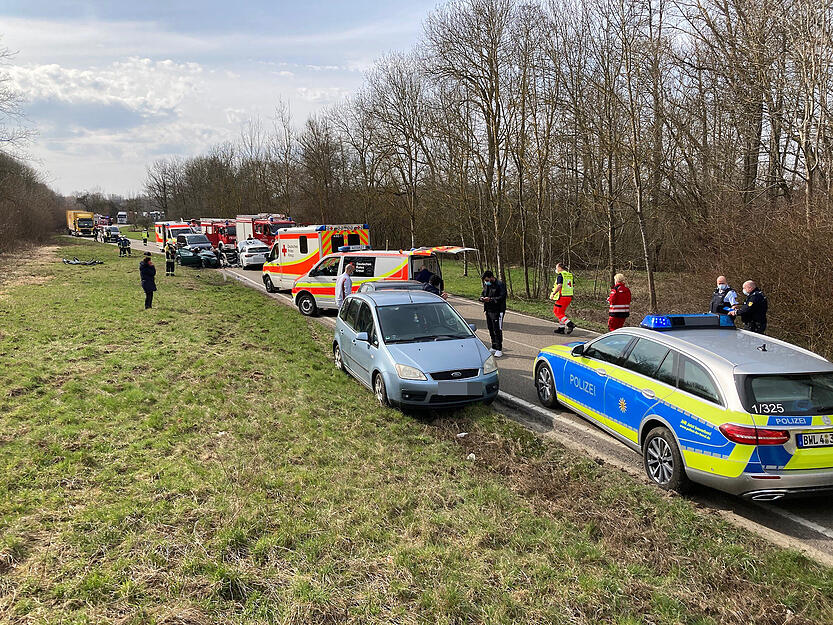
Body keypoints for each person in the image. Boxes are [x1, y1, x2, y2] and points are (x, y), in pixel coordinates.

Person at [480, 270, 506, 357]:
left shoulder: (500, 285)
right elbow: (483, 293)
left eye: (487, 280)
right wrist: (482, 298)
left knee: (497, 329)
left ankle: (499, 348)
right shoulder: (487, 285)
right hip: (488, 309)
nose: (486, 282)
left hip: (498, 310)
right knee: (490, 328)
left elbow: (502, 297)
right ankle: (494, 345)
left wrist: (491, 299)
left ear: (491, 277)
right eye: (485, 281)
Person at [549, 262, 575, 334]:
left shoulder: (561, 275)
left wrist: (554, 293)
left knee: (556, 311)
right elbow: (573, 285)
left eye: (556, 267)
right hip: (569, 296)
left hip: (562, 296)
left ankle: (570, 324)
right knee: (561, 312)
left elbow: (559, 285)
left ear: (560, 268)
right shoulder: (570, 275)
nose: (556, 269)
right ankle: (561, 328)